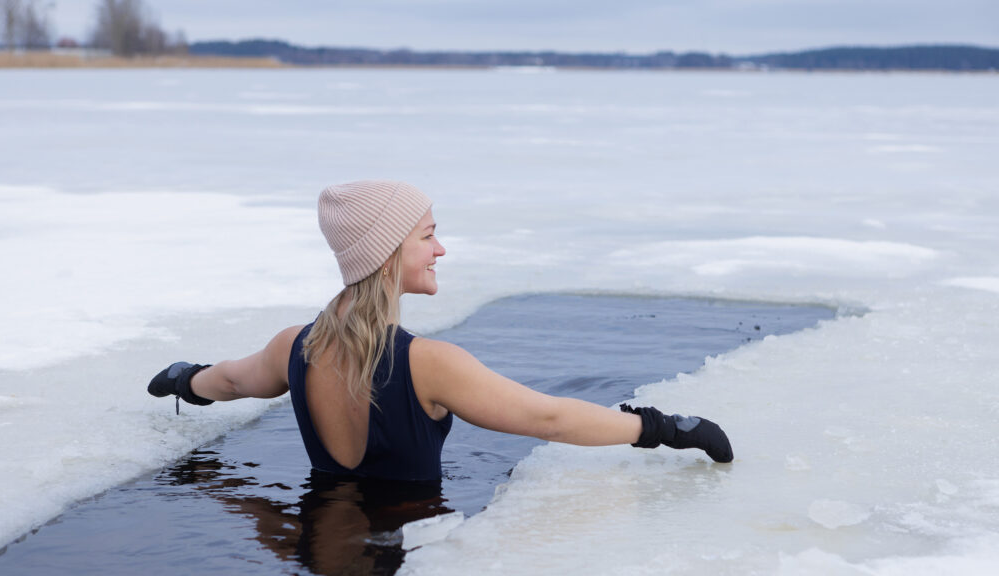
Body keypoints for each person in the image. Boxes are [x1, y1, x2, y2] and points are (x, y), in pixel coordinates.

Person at [148, 180, 733, 482]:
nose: (441, 248)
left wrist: (184, 380)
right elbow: (547, 418)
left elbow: (228, 382)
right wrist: (665, 428)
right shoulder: (428, 364)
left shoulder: (293, 347)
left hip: (317, 548)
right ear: (383, 254)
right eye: (427, 235)